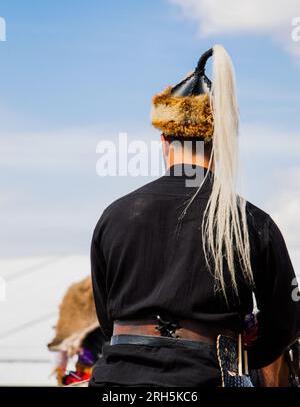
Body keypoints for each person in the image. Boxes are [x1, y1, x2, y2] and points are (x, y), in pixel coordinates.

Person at [89, 45, 300, 387]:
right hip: (208, 379)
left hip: (115, 383)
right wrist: (248, 356)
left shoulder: (114, 216)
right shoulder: (251, 221)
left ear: (163, 140)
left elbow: (107, 319)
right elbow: (287, 322)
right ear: (221, 141)